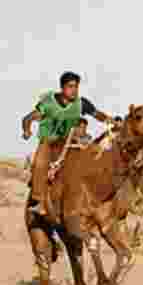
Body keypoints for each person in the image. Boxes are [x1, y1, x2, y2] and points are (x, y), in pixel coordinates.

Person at [21, 71, 116, 220]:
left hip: (69, 140)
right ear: (62, 88)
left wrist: (111, 121)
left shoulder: (81, 103)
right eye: (70, 87)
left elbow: (97, 114)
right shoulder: (48, 104)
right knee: (40, 164)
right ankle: (39, 201)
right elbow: (27, 118)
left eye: (76, 87)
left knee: (92, 154)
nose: (74, 90)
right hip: (49, 141)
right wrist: (27, 130)